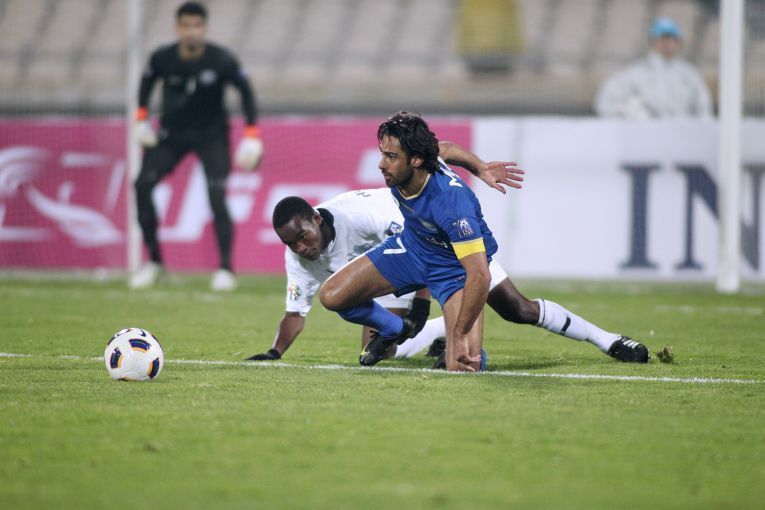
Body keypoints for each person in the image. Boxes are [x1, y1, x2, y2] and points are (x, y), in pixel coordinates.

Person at [245, 140, 524, 361]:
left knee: (517, 308)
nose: (299, 248)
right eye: (291, 244)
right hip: (388, 269)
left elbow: (421, 243)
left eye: (302, 237)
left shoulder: (362, 214)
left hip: (437, 246)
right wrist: (274, 353)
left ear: (316, 219)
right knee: (380, 346)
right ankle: (428, 332)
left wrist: (421, 304)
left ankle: (454, 336)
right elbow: (295, 314)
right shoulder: (297, 257)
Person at [129, 1, 263, 291]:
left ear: (205, 28)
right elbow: (146, 85)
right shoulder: (162, 58)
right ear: (177, 28)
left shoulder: (221, 60)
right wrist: (141, 120)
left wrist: (252, 134)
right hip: (171, 135)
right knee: (141, 185)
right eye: (186, 25)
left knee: (216, 195)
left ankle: (226, 269)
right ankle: (154, 263)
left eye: (197, 25)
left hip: (212, 136)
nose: (191, 31)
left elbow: (246, 93)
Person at [594, 17, 713, 119]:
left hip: (682, 133)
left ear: (678, 42)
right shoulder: (637, 72)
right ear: (653, 42)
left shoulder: (689, 74)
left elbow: (704, 109)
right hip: (649, 134)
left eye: (671, 39)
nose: (667, 44)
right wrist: (628, 116)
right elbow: (607, 99)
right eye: (662, 39)